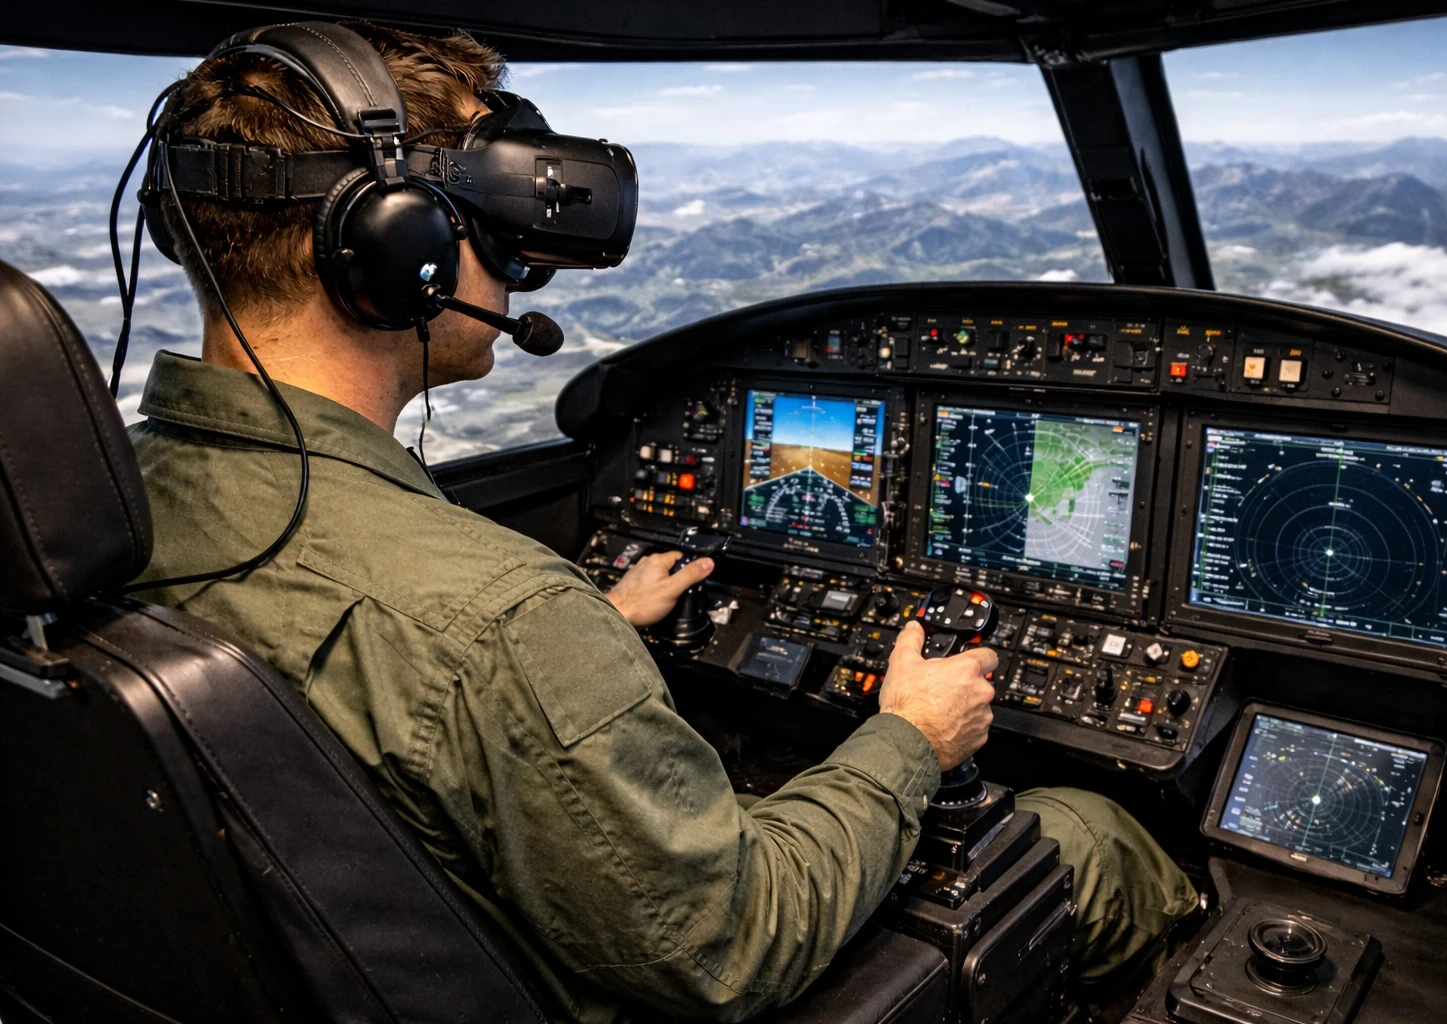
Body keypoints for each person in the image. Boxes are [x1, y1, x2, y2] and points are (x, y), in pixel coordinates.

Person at [127, 22, 1196, 1024]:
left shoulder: (117, 504)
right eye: (490, 226)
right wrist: (912, 736)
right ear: (396, 243)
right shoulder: (494, 621)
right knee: (1087, 833)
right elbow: (737, 942)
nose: (516, 264)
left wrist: (583, 632)